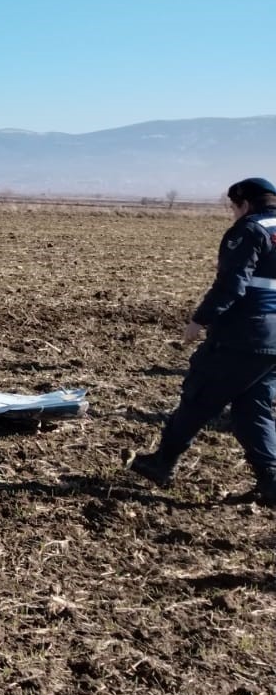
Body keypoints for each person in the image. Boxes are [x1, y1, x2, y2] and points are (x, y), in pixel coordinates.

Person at [127, 177, 276, 505]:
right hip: (273, 344)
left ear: (245, 204)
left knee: (199, 398)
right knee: (253, 408)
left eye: (233, 208)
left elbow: (233, 283)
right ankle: (271, 481)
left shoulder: (249, 230)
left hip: (243, 336)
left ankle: (162, 462)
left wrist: (200, 319)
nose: (233, 215)